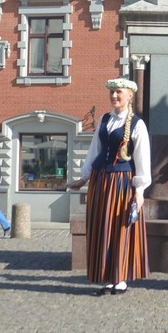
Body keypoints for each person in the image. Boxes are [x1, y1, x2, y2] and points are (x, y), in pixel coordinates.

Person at [68, 78, 151, 295]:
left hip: (122, 182)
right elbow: (94, 150)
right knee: (101, 227)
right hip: (100, 180)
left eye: (118, 92)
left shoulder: (137, 124)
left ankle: (120, 277)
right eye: (112, 92)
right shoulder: (105, 119)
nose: (114, 96)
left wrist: (140, 191)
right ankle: (107, 276)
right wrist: (84, 178)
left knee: (119, 228)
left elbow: (143, 159)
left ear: (130, 96)